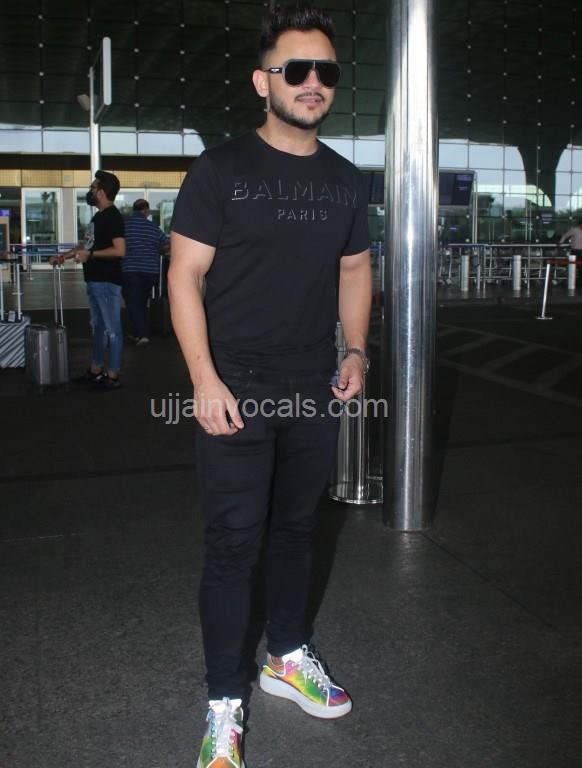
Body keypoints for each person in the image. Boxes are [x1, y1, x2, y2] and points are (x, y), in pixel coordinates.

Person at [169, 4, 372, 766]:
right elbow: (184, 276)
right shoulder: (220, 169)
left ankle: (285, 654)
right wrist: (203, 378)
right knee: (233, 544)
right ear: (264, 81)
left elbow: (355, 269)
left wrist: (357, 351)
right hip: (235, 385)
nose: (313, 82)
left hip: (312, 384)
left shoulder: (345, 181)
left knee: (296, 528)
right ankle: (224, 700)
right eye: (297, 69)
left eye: (327, 71)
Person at [51, 170, 125, 389]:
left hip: (107, 282)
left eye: (93, 187)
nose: (90, 191)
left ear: (101, 192)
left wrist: (91, 255)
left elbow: (120, 250)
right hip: (95, 281)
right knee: (99, 329)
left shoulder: (112, 216)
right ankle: (96, 371)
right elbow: (87, 246)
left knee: (112, 330)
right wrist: (64, 257)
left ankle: (112, 376)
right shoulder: (98, 217)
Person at [122, 198, 170, 346]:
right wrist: (158, 250)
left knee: (133, 302)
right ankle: (138, 333)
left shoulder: (125, 226)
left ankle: (142, 334)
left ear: (134, 209)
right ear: (145, 210)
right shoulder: (153, 227)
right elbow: (166, 245)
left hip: (131, 270)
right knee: (141, 302)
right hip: (150, 271)